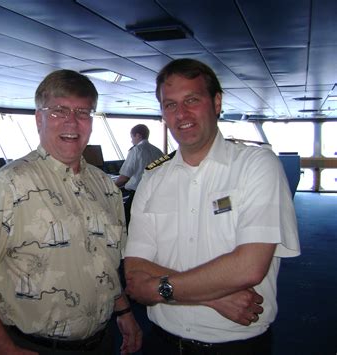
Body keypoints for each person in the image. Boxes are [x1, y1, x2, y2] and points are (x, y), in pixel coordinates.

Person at [0, 69, 142, 355]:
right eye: (58, 111)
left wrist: (123, 311)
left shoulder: (105, 186)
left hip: (102, 341)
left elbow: (104, 263)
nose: (72, 122)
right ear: (39, 118)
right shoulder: (8, 185)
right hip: (36, 346)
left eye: (83, 112)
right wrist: (3, 348)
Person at [124, 58, 300, 354]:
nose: (181, 114)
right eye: (170, 105)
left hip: (236, 345)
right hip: (162, 341)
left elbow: (248, 267)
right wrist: (213, 297)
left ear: (216, 103)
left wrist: (160, 288)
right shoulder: (153, 179)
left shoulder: (256, 165)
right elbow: (134, 272)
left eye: (192, 100)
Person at [115, 124, 163, 226]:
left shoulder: (136, 150)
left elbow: (124, 177)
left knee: (126, 219)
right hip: (156, 195)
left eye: (132, 137)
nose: (131, 140)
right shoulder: (158, 151)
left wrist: (109, 187)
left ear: (138, 135)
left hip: (138, 194)